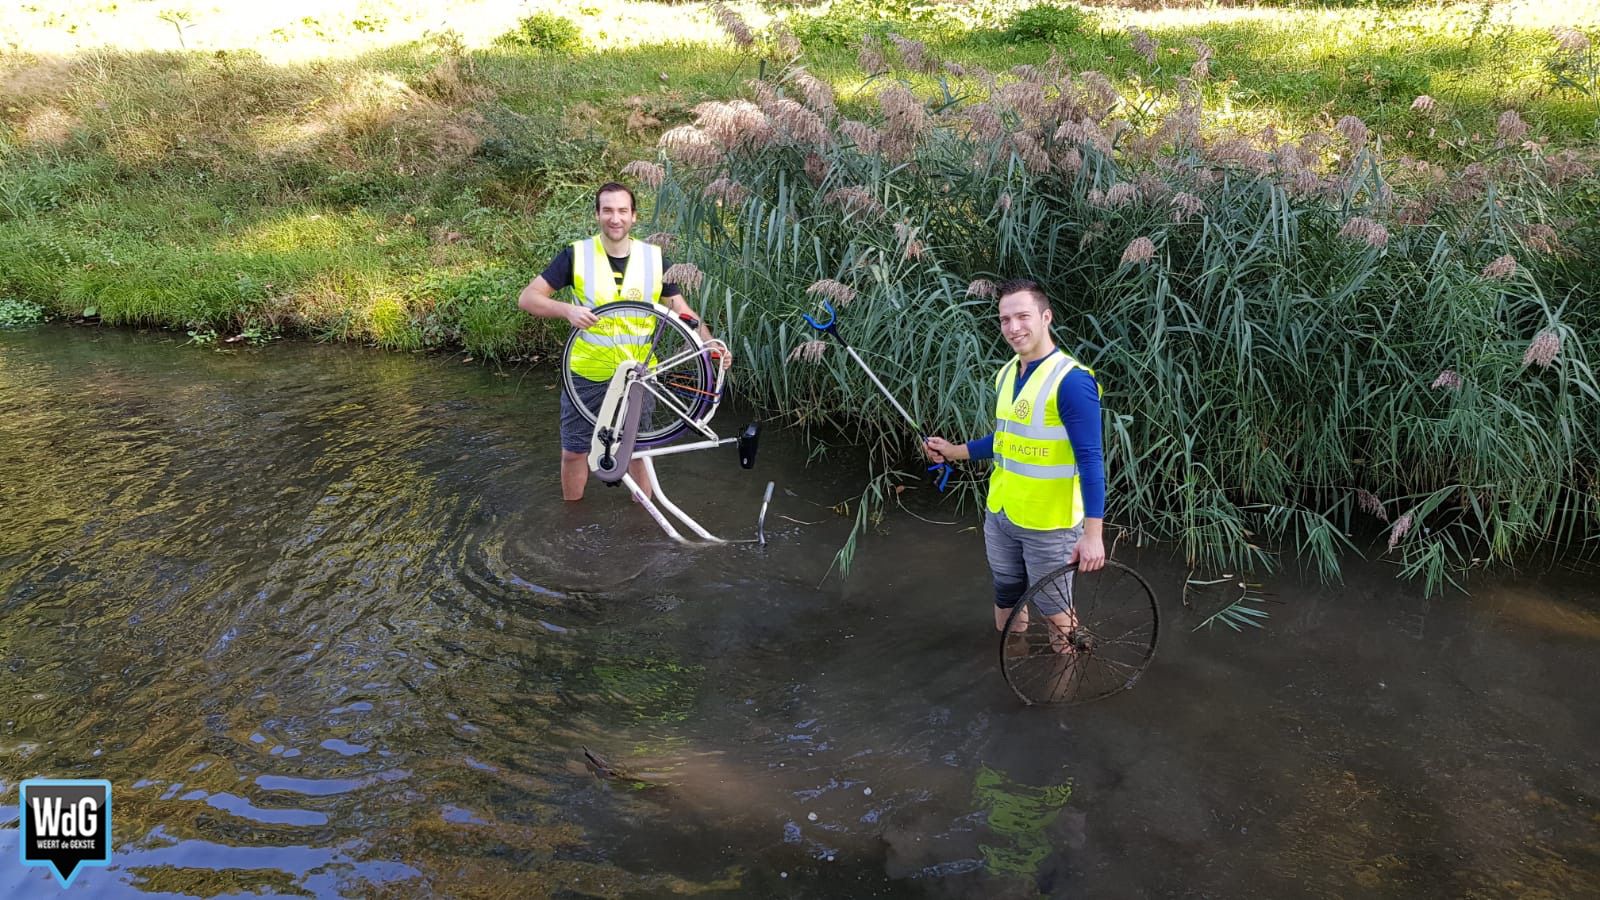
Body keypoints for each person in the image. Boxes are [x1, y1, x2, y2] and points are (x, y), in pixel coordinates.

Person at [924, 279, 1106, 644]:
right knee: (1006, 597)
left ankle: (1065, 687)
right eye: (1005, 319)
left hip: (1049, 525)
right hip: (1002, 514)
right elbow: (1006, 440)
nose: (1013, 328)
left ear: (1046, 317)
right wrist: (955, 450)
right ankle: (1011, 666)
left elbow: (1090, 459)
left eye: (1022, 316)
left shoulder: (1071, 382)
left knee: (1056, 615)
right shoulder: (1007, 373)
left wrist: (1093, 536)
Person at [517, 182, 713, 501]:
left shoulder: (655, 259)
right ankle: (572, 520)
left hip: (639, 375)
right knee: (574, 452)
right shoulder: (576, 255)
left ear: (634, 216)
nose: (615, 218)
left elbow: (683, 312)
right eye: (607, 210)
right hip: (586, 373)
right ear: (597, 214)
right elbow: (528, 298)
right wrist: (566, 310)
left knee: (638, 452)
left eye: (622, 210)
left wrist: (711, 346)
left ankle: (644, 522)